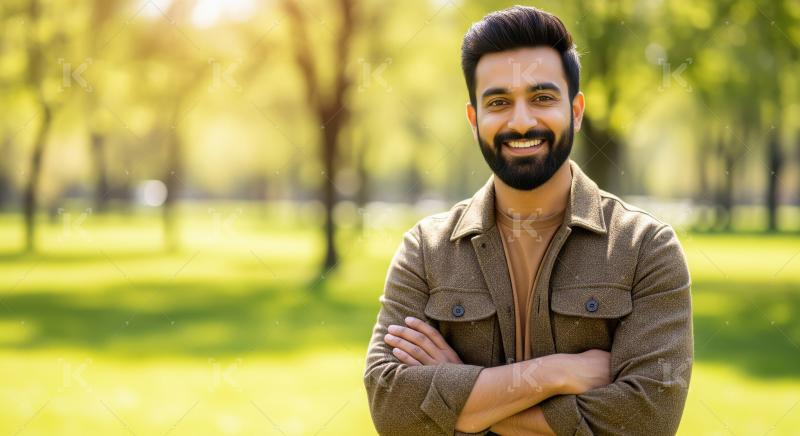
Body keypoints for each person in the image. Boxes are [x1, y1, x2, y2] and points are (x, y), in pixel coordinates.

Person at [363, 6, 693, 435]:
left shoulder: (646, 249)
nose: (521, 122)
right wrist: (554, 373)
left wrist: (462, 398)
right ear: (473, 118)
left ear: (575, 110)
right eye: (498, 102)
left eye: (542, 98)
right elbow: (392, 410)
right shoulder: (426, 250)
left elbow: (646, 420)